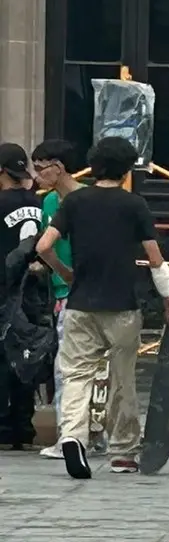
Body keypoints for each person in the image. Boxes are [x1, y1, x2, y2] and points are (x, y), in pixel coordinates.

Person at [36, 136, 169, 478]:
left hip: (80, 304)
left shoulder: (74, 202)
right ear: (127, 169)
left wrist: (66, 273)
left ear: (94, 164)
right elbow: (156, 260)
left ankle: (73, 435)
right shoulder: (134, 206)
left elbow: (44, 246)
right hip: (122, 306)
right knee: (122, 379)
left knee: (75, 375)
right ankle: (123, 452)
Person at [31, 139, 85, 458]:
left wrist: (64, 271)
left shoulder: (84, 201)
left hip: (81, 290)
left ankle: (72, 436)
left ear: (58, 167)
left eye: (40, 169)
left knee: (70, 368)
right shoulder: (50, 202)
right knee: (67, 366)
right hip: (60, 291)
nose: (36, 176)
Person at [0, 143, 43, 450]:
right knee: (26, 354)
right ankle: (24, 427)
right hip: (32, 291)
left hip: (3, 287)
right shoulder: (40, 203)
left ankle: (2, 426)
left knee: (2, 356)